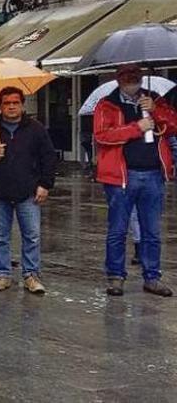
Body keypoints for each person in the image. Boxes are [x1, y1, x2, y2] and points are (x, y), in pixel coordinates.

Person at [92, 65, 177, 297]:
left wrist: (156, 111)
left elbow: (172, 126)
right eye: (127, 77)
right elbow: (102, 135)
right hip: (121, 176)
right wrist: (135, 128)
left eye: (136, 77)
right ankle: (116, 276)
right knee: (118, 230)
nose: (132, 82)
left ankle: (152, 277)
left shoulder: (154, 99)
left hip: (152, 174)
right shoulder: (106, 105)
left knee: (152, 231)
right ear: (118, 79)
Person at [0, 87, 57, 295]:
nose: (11, 107)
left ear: (22, 105)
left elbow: (49, 158)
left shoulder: (35, 129)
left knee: (32, 235)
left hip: (28, 191)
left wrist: (45, 184)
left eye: (15, 103)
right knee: (0, 237)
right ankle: (2, 274)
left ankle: (31, 275)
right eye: (6, 103)